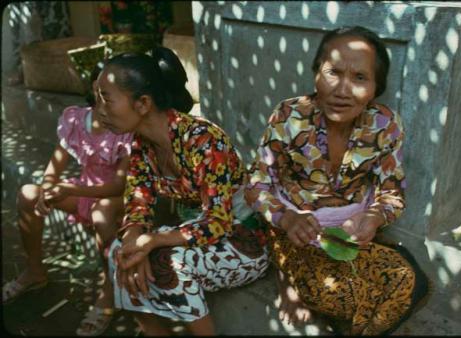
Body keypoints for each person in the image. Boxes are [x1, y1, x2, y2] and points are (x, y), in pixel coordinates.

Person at [245, 26, 429, 336]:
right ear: (316, 73)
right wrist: (287, 218)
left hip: (348, 234)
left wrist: (372, 216)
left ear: (375, 87)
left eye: (359, 78)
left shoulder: (384, 124)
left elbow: (392, 192)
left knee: (408, 284)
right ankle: (287, 277)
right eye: (333, 72)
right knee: (334, 294)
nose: (342, 90)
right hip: (295, 230)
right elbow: (256, 184)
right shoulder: (289, 116)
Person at [96, 47, 269, 336]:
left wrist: (152, 240)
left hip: (243, 240)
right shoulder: (142, 145)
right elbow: (137, 202)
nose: (99, 110)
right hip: (197, 234)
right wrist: (133, 242)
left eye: (106, 99)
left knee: (171, 262)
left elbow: (218, 223)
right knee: (120, 251)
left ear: (142, 104)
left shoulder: (203, 140)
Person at [2, 64, 133, 336]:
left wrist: (71, 192)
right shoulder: (76, 120)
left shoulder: (124, 126)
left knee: (102, 214)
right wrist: (48, 191)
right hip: (85, 191)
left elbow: (118, 186)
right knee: (28, 193)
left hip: (117, 198)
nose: (102, 95)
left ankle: (110, 294)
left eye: (110, 91)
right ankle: (34, 272)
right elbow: (53, 170)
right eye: (99, 88)